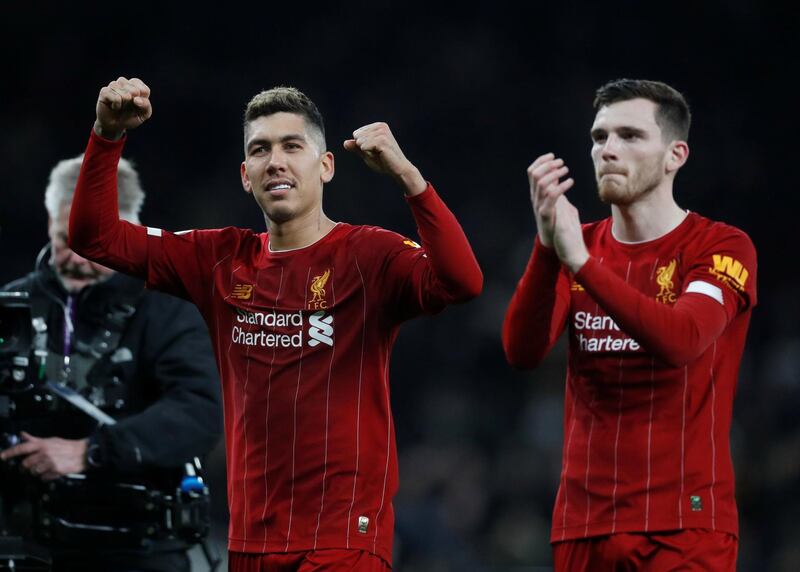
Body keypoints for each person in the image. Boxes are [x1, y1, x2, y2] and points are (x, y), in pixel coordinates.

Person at [68, 76, 483, 571]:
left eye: (292, 145)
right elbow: (95, 239)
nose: (276, 161)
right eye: (260, 150)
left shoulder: (368, 255)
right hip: (250, 543)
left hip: (341, 542)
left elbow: (463, 281)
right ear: (246, 175)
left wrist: (409, 179)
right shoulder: (219, 259)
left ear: (325, 165)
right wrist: (106, 134)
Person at [503, 79, 757, 571]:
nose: (608, 150)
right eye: (599, 137)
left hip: (683, 526)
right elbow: (522, 352)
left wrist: (581, 265)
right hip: (582, 525)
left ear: (674, 155)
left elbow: (683, 340)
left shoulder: (720, 246)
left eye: (630, 136)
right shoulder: (578, 246)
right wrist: (546, 247)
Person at [0, 155, 222, 571]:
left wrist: (91, 452)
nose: (78, 259)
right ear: (49, 221)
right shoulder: (13, 306)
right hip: (30, 544)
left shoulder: (168, 307)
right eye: (67, 240)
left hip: (138, 548)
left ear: (127, 232)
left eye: (92, 244)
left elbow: (201, 412)